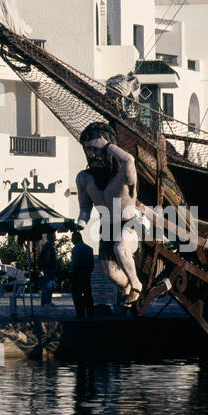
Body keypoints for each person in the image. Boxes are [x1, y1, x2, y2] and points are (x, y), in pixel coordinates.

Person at [74, 120, 144, 306]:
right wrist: (81, 221)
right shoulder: (84, 178)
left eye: (96, 148)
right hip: (106, 227)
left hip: (128, 224)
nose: (92, 154)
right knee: (111, 273)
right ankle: (128, 288)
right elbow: (84, 208)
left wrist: (107, 146)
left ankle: (137, 285)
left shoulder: (123, 174)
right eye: (88, 149)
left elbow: (129, 160)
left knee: (120, 248)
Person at [69, 230, 95, 318]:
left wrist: (71, 273)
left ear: (76, 239)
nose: (72, 241)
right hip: (87, 273)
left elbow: (74, 262)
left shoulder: (75, 249)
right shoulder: (89, 249)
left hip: (77, 273)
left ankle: (80, 313)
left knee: (77, 294)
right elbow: (92, 264)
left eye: (72, 238)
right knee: (88, 293)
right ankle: (90, 312)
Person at [39, 231, 58, 307]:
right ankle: (47, 301)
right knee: (49, 285)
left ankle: (45, 301)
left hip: (47, 268)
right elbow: (48, 258)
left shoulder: (47, 246)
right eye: (54, 236)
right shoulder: (49, 246)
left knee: (47, 285)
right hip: (49, 268)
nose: (55, 237)